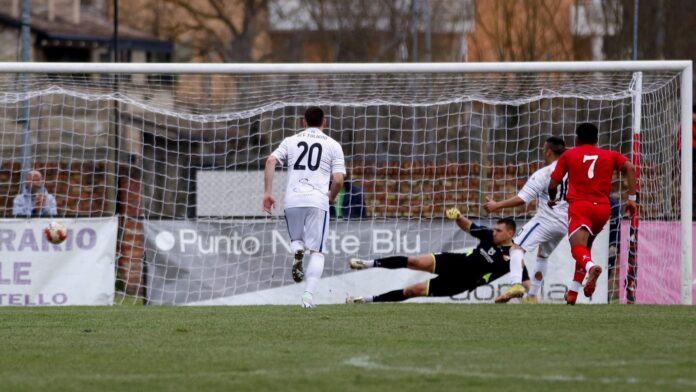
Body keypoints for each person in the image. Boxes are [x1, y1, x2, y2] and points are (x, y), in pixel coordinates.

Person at [345, 210, 528, 303]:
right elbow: (469, 226)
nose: (494, 232)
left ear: (510, 234)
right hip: (455, 262)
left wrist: (520, 297)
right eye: (495, 229)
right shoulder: (488, 235)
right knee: (414, 261)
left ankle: (366, 300)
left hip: (461, 282)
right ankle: (367, 263)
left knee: (412, 291)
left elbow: (526, 284)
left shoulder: (515, 257)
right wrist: (457, 216)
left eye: (499, 230)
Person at [262, 106, 346, 308]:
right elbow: (338, 179)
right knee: (317, 251)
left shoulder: (291, 140)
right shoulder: (333, 145)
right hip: (317, 201)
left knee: (297, 240)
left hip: (293, 200)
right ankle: (308, 296)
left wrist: (268, 192)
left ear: (303, 122)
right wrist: (332, 197)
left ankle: (297, 251)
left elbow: (270, 160)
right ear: (324, 122)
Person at [548, 123, 637, 305]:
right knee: (585, 248)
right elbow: (631, 168)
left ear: (577, 138)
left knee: (577, 249)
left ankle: (591, 268)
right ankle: (572, 293)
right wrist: (632, 198)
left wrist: (552, 198)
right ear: (596, 139)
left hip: (580, 206)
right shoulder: (610, 155)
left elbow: (552, 184)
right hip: (603, 209)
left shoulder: (569, 154)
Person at [484, 136, 568, 304]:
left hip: (546, 220)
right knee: (543, 256)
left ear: (548, 152)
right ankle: (532, 296)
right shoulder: (573, 170)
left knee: (516, 248)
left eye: (544, 149)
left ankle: (516, 284)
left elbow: (523, 198)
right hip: (565, 223)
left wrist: (496, 205)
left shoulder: (545, 173)